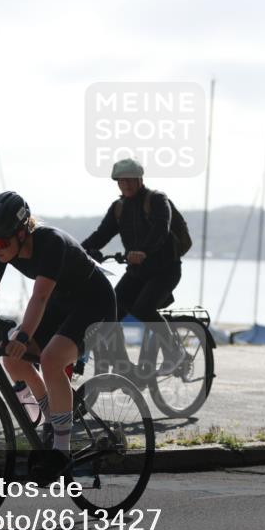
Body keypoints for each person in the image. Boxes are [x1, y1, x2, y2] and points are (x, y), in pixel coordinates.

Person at [0, 191, 116, 478]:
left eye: (0, 243)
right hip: (61, 304)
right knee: (11, 359)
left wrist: (23, 336)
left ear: (21, 232)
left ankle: (61, 450)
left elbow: (39, 297)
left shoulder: (51, 242)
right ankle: (50, 419)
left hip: (95, 305)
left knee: (51, 359)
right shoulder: (1, 250)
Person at [81, 158, 183, 374]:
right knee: (110, 312)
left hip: (165, 270)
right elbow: (101, 235)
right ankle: (124, 367)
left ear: (140, 179)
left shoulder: (157, 200)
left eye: (130, 180)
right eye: (121, 181)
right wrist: (78, 251)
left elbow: (161, 229)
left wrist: (143, 251)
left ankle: (174, 351)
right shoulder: (119, 208)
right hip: (137, 272)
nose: (125, 184)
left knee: (143, 309)